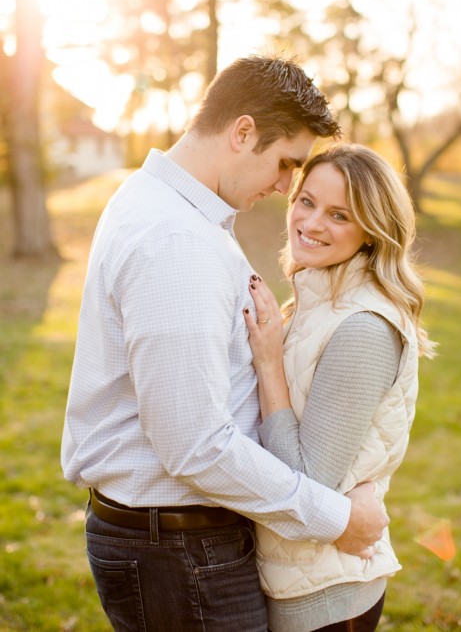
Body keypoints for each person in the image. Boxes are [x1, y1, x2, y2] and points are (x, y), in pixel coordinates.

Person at [61, 55, 389, 632]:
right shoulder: (175, 241)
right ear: (242, 132)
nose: (289, 186)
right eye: (285, 162)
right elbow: (194, 446)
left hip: (179, 543)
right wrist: (338, 518)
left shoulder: (168, 207)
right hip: (180, 552)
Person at [242, 143, 434, 632]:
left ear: (372, 231)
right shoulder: (316, 300)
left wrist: (269, 363)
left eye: (339, 215)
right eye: (306, 201)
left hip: (327, 595)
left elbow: (309, 481)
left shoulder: (362, 328)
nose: (311, 223)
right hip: (297, 573)